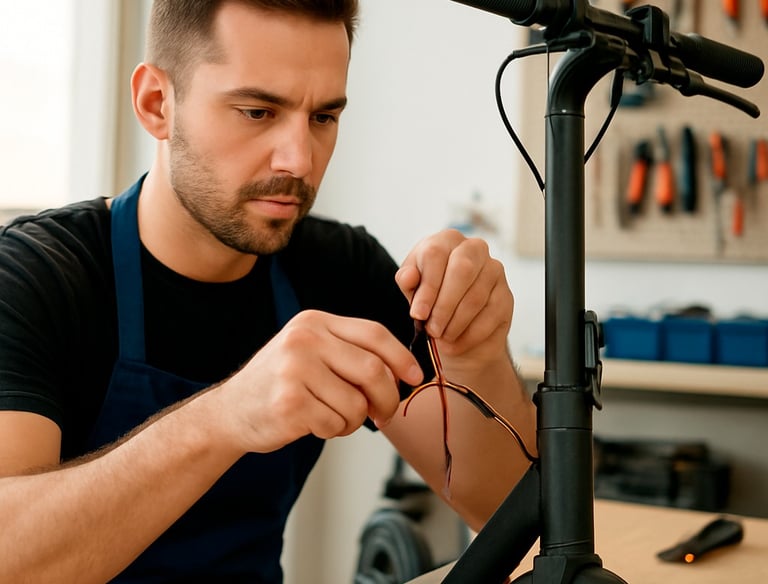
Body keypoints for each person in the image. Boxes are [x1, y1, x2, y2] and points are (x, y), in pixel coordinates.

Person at [0, 0, 537, 581]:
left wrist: (477, 357)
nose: (299, 161)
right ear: (158, 103)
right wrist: (224, 418)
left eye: (324, 117)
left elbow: (508, 515)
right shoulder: (36, 277)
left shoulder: (339, 270)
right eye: (258, 111)